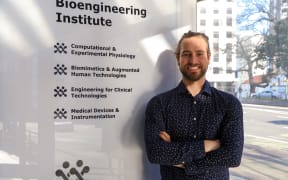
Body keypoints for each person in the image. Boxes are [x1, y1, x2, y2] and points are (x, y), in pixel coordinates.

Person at [144, 31, 244, 180]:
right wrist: (208, 145)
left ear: (209, 58)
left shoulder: (229, 104)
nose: (193, 60)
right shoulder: (159, 104)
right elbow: (156, 153)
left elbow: (232, 156)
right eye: (186, 54)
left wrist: (180, 157)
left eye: (199, 53)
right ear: (178, 58)